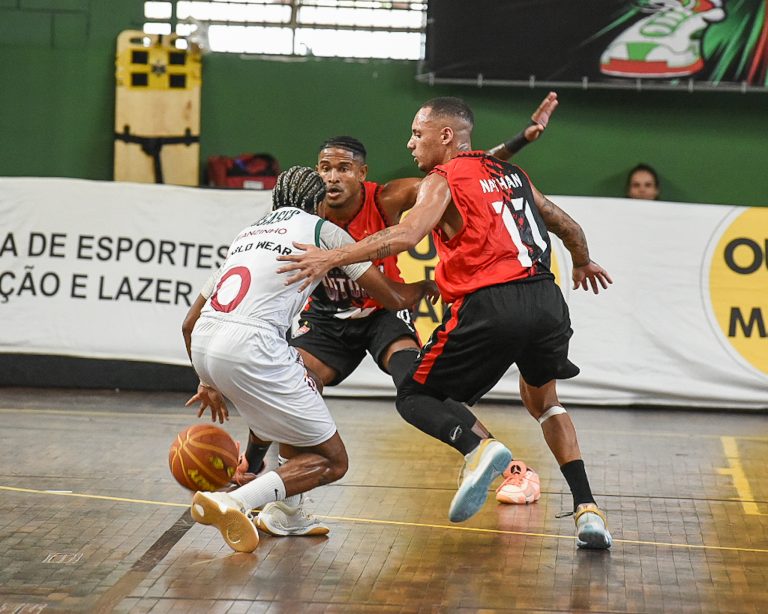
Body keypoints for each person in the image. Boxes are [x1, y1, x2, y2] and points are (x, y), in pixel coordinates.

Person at [182, 93, 560, 508]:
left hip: (382, 314)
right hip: (327, 319)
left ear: (362, 173)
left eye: (343, 168)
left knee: (418, 381)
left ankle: (505, 465)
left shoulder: (388, 198)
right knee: (289, 384)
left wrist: (517, 141)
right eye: (325, 168)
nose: (332, 177)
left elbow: (465, 173)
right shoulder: (306, 215)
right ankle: (255, 471)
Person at [278, 97, 614, 549]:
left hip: (487, 305)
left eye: (418, 134)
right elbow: (566, 224)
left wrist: (332, 256)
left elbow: (405, 235)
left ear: (445, 136)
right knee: (546, 404)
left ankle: (480, 451)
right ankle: (587, 509)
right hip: (546, 301)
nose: (410, 143)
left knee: (416, 394)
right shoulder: (513, 175)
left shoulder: (435, 181)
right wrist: (583, 262)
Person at [184, 166, 438, 552]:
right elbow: (392, 298)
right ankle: (235, 501)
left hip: (206, 343)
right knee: (332, 461)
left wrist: (206, 380)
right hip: (253, 346)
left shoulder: (246, 234)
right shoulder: (323, 230)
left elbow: (188, 323)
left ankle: (288, 514)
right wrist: (425, 285)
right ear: (318, 203)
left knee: (294, 414)